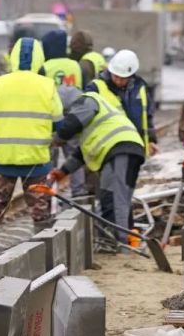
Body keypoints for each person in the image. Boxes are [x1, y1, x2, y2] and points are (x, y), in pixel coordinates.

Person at [0, 37, 63, 257]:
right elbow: (59, 123)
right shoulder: (48, 86)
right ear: (40, 58)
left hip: (4, 159)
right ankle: (45, 254)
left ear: (13, 57)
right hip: (37, 160)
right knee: (40, 210)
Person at [49, 90, 144, 249]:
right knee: (121, 199)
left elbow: (69, 125)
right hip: (128, 149)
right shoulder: (95, 122)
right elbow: (81, 154)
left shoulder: (87, 100)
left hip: (119, 149)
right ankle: (127, 240)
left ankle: (119, 245)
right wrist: (63, 171)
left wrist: (57, 138)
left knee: (113, 199)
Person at [86, 49, 158, 157]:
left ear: (131, 75)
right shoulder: (96, 88)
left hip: (134, 148)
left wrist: (151, 140)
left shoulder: (140, 88)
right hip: (106, 149)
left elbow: (147, 117)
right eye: (116, 76)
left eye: (123, 78)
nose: (118, 81)